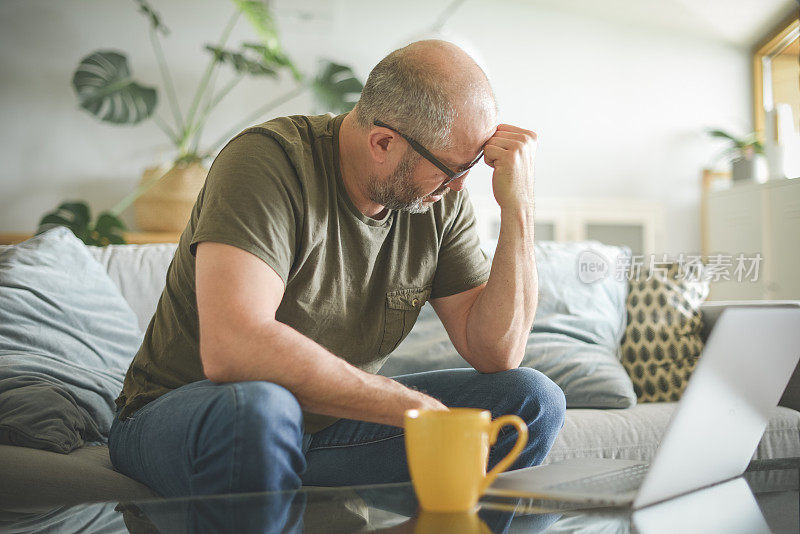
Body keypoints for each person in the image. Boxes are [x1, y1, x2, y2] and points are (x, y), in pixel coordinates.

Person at [108, 39, 566, 497]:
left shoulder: (439, 199)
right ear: (383, 142)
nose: (458, 186)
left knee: (530, 400)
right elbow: (234, 347)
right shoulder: (267, 162)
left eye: (469, 168)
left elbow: (497, 353)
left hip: (324, 431)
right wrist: (409, 407)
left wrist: (519, 205)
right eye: (452, 170)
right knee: (262, 409)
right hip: (191, 415)